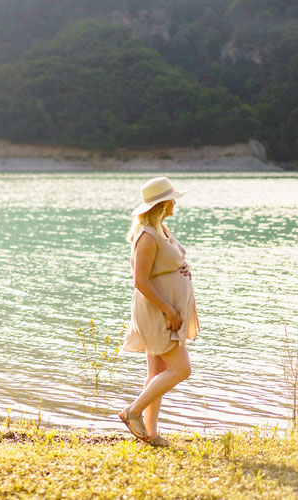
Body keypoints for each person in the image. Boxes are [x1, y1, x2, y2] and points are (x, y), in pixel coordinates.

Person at [118, 176, 200, 447]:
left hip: (166, 310)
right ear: (161, 204)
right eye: (171, 198)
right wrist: (169, 311)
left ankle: (150, 435)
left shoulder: (161, 228)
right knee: (181, 369)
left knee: (157, 375)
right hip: (157, 312)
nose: (175, 202)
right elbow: (140, 281)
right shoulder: (147, 236)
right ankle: (132, 412)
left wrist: (183, 270)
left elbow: (166, 265)